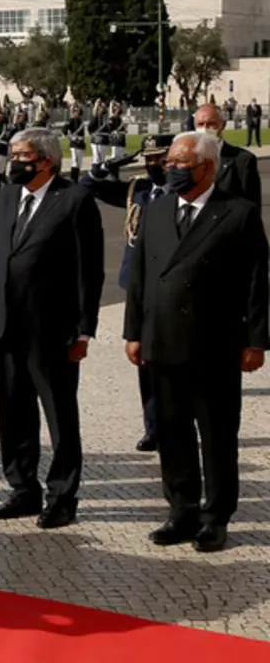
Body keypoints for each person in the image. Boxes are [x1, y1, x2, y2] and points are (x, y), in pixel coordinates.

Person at [125, 132, 269, 553]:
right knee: (171, 431)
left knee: (218, 434)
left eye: (180, 162)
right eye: (169, 162)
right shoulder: (156, 210)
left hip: (216, 344)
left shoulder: (237, 213)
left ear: (207, 167)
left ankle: (216, 516)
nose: (170, 168)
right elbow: (139, 280)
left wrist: (255, 341)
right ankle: (181, 510)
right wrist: (133, 332)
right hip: (163, 340)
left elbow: (257, 282)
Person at [0, 128, 104, 529]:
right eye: (12, 153)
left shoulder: (74, 200)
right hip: (8, 325)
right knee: (13, 410)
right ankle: (22, 488)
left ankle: (62, 495)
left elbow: (89, 270)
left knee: (59, 414)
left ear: (46, 160)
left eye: (22, 155)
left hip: (53, 329)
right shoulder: (5, 197)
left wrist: (85, 330)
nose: (14, 161)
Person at [78, 135, 173, 452]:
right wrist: (102, 168)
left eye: (159, 159)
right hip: (138, 285)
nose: (152, 165)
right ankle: (154, 427)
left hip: (171, 287)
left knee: (174, 361)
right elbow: (84, 191)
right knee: (144, 358)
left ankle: (178, 424)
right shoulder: (139, 190)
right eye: (148, 159)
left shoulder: (182, 191)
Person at [192, 103, 262, 208]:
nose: (205, 129)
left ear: (222, 125)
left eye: (211, 124)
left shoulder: (243, 160)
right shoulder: (188, 158)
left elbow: (253, 205)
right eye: (200, 124)